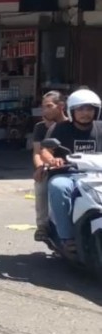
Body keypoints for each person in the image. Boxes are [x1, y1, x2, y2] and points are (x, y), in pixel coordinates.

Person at [42, 88, 102, 254]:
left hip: (96, 175)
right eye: (80, 109)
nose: (85, 113)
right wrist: (52, 160)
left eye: (89, 109)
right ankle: (66, 237)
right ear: (71, 111)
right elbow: (45, 151)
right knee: (58, 187)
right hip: (68, 174)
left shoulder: (101, 128)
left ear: (96, 111)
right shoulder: (60, 128)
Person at [32, 91, 67, 241]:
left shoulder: (72, 124)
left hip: (77, 169)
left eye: (49, 106)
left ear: (61, 106)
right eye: (43, 107)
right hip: (52, 167)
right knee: (41, 185)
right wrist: (41, 167)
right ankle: (42, 226)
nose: (45, 110)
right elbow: (38, 152)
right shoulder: (41, 128)